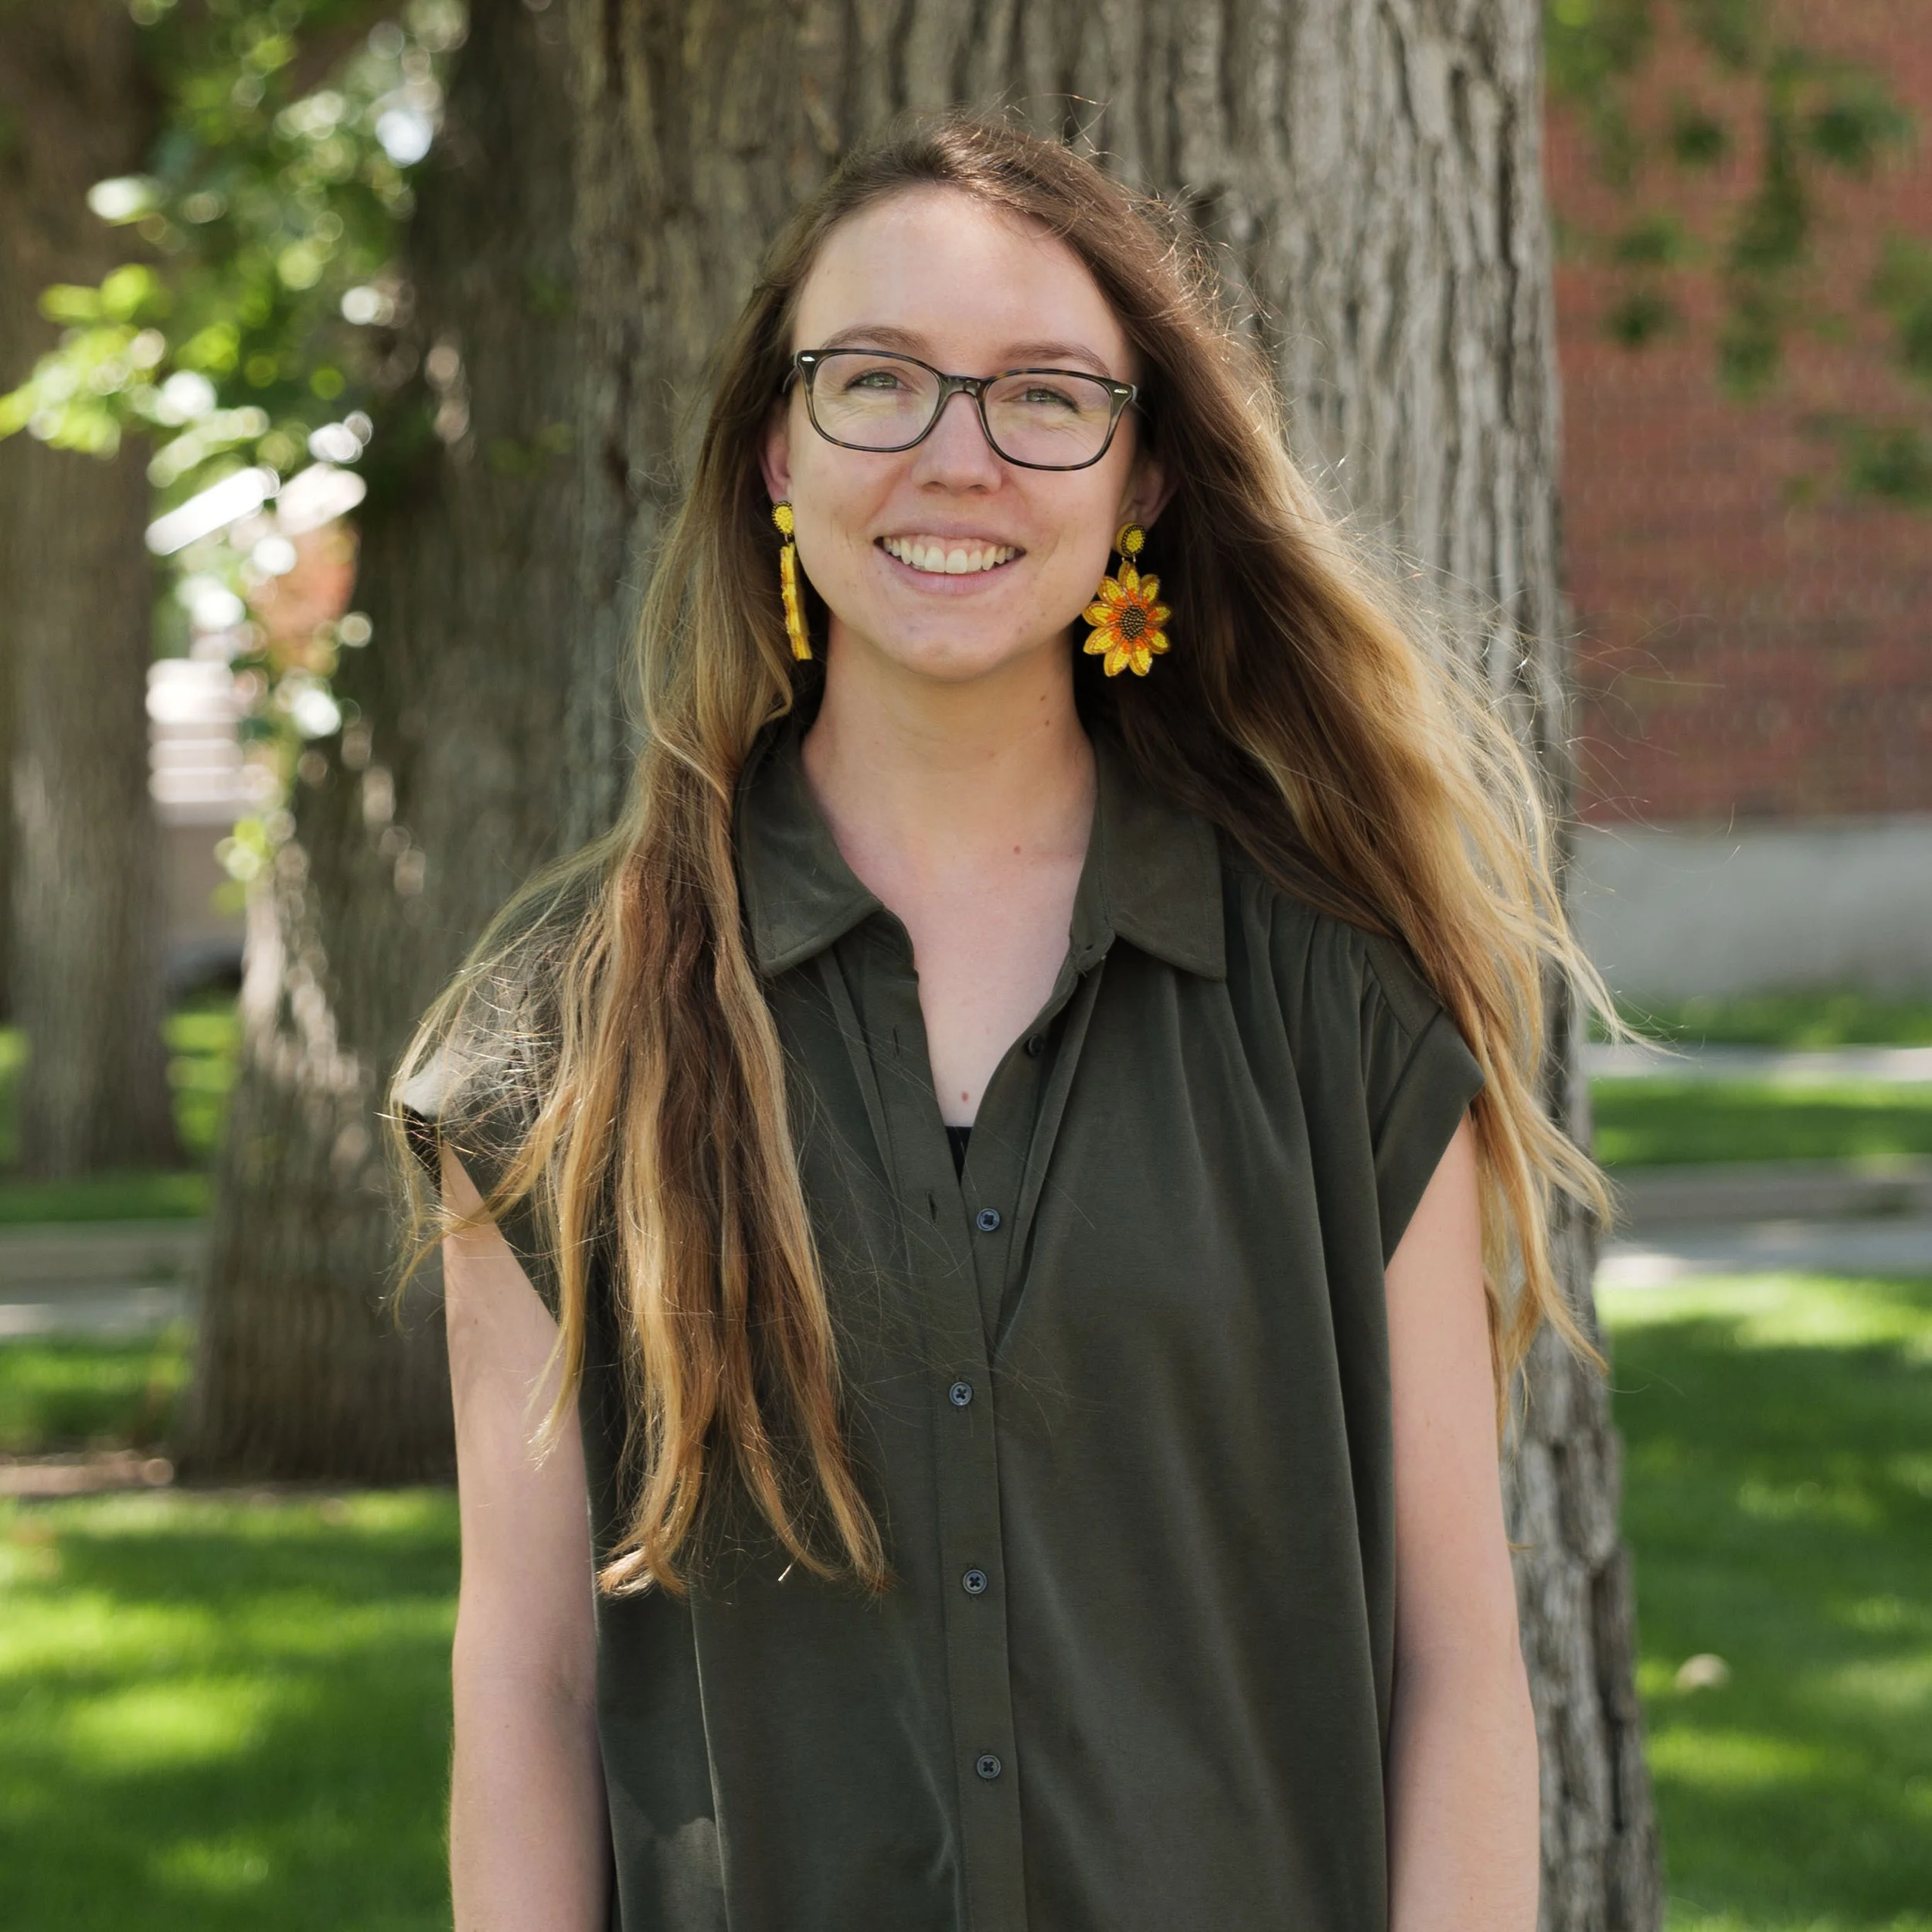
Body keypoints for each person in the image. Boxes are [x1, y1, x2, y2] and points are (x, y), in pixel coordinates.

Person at [393, 111, 1613, 1932]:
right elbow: (530, 1690)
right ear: (771, 460)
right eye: (877, 381)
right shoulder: (556, 1047)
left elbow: (1447, 1658)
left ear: (1137, 482)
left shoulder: (1329, 999)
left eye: (1041, 395)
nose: (955, 459)